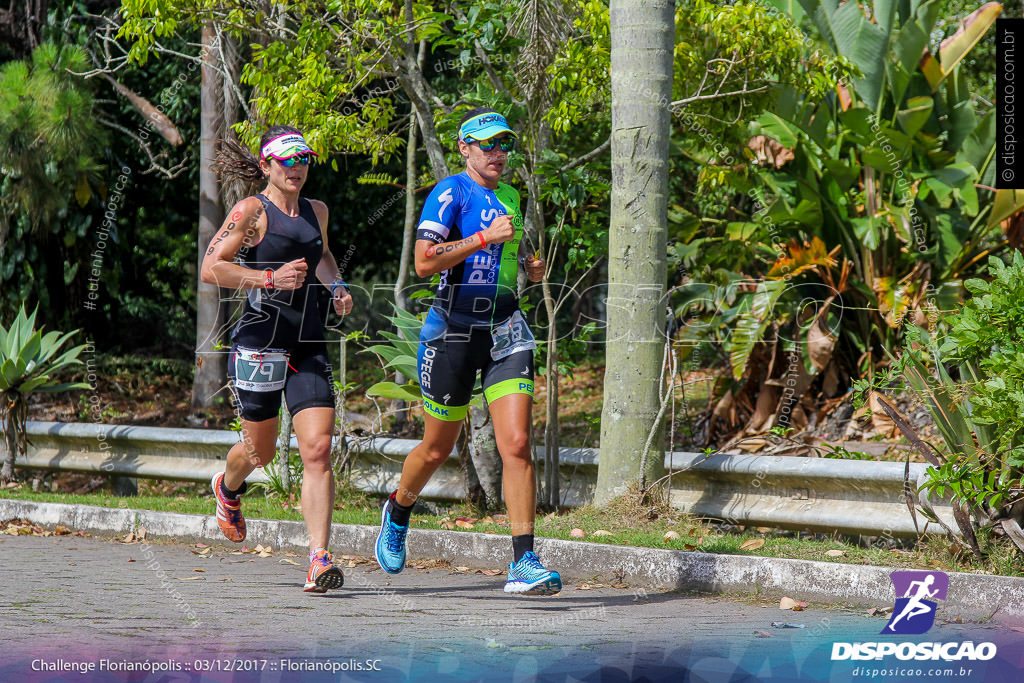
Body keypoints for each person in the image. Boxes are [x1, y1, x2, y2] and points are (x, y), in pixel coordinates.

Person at [375, 108, 560, 595]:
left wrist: (530, 269)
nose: (498, 153)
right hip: (452, 331)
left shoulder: (513, 197)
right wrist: (481, 237)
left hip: (505, 328)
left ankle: (523, 561)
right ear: (465, 148)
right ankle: (398, 509)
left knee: (517, 443)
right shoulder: (450, 192)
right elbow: (422, 262)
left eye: (504, 145)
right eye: (488, 145)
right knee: (436, 447)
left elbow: (509, 255)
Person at [200, 125, 354, 593]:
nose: (297, 168)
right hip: (261, 342)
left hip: (307, 341)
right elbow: (211, 267)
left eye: (303, 159)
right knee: (260, 452)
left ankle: (318, 558)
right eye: (287, 161)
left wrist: (336, 285)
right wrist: (268, 279)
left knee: (318, 448)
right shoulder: (252, 211)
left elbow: (322, 253)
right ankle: (228, 487)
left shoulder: (317, 211)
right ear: (267, 165)